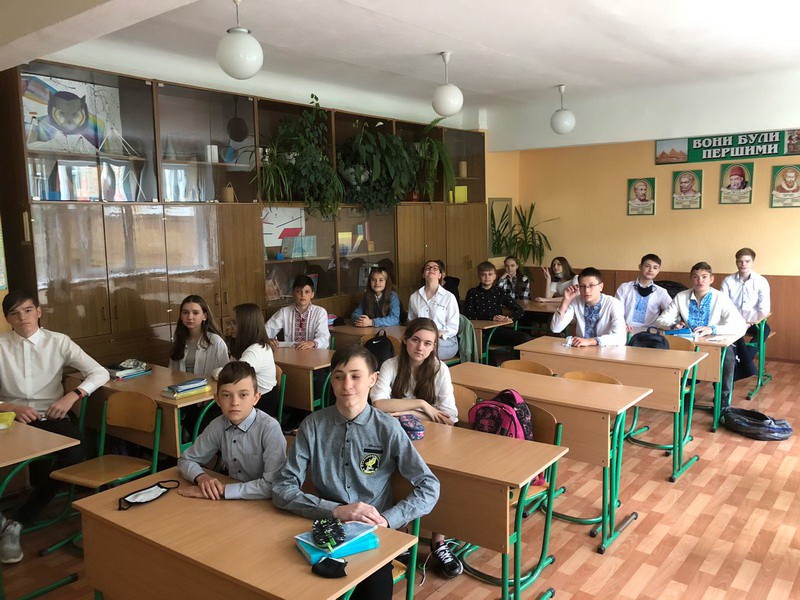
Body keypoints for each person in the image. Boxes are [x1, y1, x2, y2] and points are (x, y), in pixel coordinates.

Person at [273, 345, 440, 600]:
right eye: (339, 377)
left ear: (373, 379)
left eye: (356, 376)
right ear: (331, 381)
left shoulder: (388, 428)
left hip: (372, 535)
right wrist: (335, 510)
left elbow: (429, 486)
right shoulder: (313, 426)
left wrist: (387, 520)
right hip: (323, 530)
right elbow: (282, 489)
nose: (347, 385)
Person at [0, 290, 109, 546]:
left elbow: (99, 372)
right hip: (10, 419)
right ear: (7, 319)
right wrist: (9, 407)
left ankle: (20, 520)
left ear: (39, 312)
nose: (23, 318)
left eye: (28, 310)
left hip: (48, 417)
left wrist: (72, 396)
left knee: (76, 450)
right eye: (15, 313)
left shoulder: (58, 341)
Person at [369, 318, 461, 578]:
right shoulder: (391, 365)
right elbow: (378, 404)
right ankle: (400, 534)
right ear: (406, 340)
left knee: (440, 476)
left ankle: (438, 540)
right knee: (388, 474)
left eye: (428, 343)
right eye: (416, 340)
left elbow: (450, 417)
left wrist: (405, 411)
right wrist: (422, 404)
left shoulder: (440, 370)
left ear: (434, 347)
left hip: (434, 439)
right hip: (396, 437)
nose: (420, 347)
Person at [177, 361, 286, 501]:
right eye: (226, 395)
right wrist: (201, 477)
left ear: (256, 398)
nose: (235, 402)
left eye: (243, 395)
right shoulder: (218, 425)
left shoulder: (269, 428)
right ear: (217, 400)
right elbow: (186, 460)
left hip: (264, 503)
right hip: (233, 501)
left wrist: (223, 490)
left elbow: (274, 485)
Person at [655, 262, 747, 408]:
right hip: (689, 342)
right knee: (675, 357)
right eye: (696, 277)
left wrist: (713, 329)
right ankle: (684, 394)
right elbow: (661, 320)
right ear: (691, 279)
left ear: (711, 279)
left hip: (715, 342)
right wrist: (673, 325)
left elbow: (740, 325)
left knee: (728, 358)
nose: (700, 281)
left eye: (704, 277)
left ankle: (723, 395)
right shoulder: (681, 296)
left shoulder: (720, 297)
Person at [463, 262, 533, 356]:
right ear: (479, 276)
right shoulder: (472, 292)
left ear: (494, 276)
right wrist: (492, 317)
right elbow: (467, 314)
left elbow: (519, 310)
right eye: (483, 274)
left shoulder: (499, 292)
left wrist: (510, 319)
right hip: (478, 331)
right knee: (481, 348)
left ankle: (516, 362)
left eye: (490, 274)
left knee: (525, 338)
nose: (487, 277)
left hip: (496, 331)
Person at [550, 267, 627, 347]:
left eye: (591, 285)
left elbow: (621, 338)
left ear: (601, 286)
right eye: (582, 286)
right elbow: (555, 329)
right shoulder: (576, 301)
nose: (586, 290)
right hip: (581, 349)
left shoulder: (613, 303)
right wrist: (566, 301)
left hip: (607, 350)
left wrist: (589, 341)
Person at [214, 303, 276, 396]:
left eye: (234, 323)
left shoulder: (255, 351)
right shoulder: (243, 346)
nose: (228, 327)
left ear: (247, 325)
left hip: (261, 400)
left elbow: (230, 377)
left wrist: (217, 372)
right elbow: (230, 369)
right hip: (247, 395)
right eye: (229, 322)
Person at [407, 260, 460, 360]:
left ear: (440, 275)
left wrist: (435, 335)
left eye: (435, 268)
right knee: (407, 346)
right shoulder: (414, 297)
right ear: (423, 275)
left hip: (444, 340)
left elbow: (453, 327)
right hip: (420, 339)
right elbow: (411, 322)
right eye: (428, 268)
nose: (431, 269)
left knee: (427, 350)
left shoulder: (449, 297)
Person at [169, 295, 229, 377]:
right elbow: (171, 370)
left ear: (204, 316)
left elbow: (226, 373)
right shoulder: (179, 339)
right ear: (181, 316)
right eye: (185, 312)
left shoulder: (216, 341)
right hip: (181, 384)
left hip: (207, 384)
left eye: (195, 313)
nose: (190, 317)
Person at [266, 275, 330, 350]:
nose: (303, 295)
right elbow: (266, 330)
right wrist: (268, 339)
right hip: (291, 353)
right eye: (298, 291)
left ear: (312, 294)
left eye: (307, 292)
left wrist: (312, 343)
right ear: (293, 293)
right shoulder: (284, 312)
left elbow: (324, 337)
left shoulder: (320, 312)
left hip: (313, 353)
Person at [614, 253, 673, 330]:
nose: (651, 270)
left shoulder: (661, 292)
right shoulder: (624, 288)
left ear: (658, 271)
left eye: (655, 268)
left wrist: (672, 324)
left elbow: (671, 311)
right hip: (625, 329)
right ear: (640, 267)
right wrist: (622, 324)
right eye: (647, 266)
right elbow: (616, 311)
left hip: (650, 332)